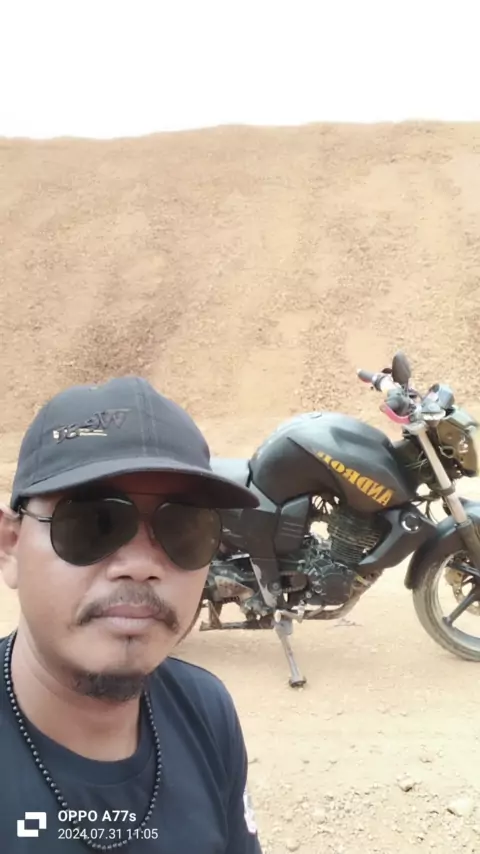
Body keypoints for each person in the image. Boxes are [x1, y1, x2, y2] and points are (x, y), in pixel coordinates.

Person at [0, 376, 263, 853]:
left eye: (183, 527)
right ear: (10, 546)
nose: (141, 565)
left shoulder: (206, 711)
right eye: (92, 523)